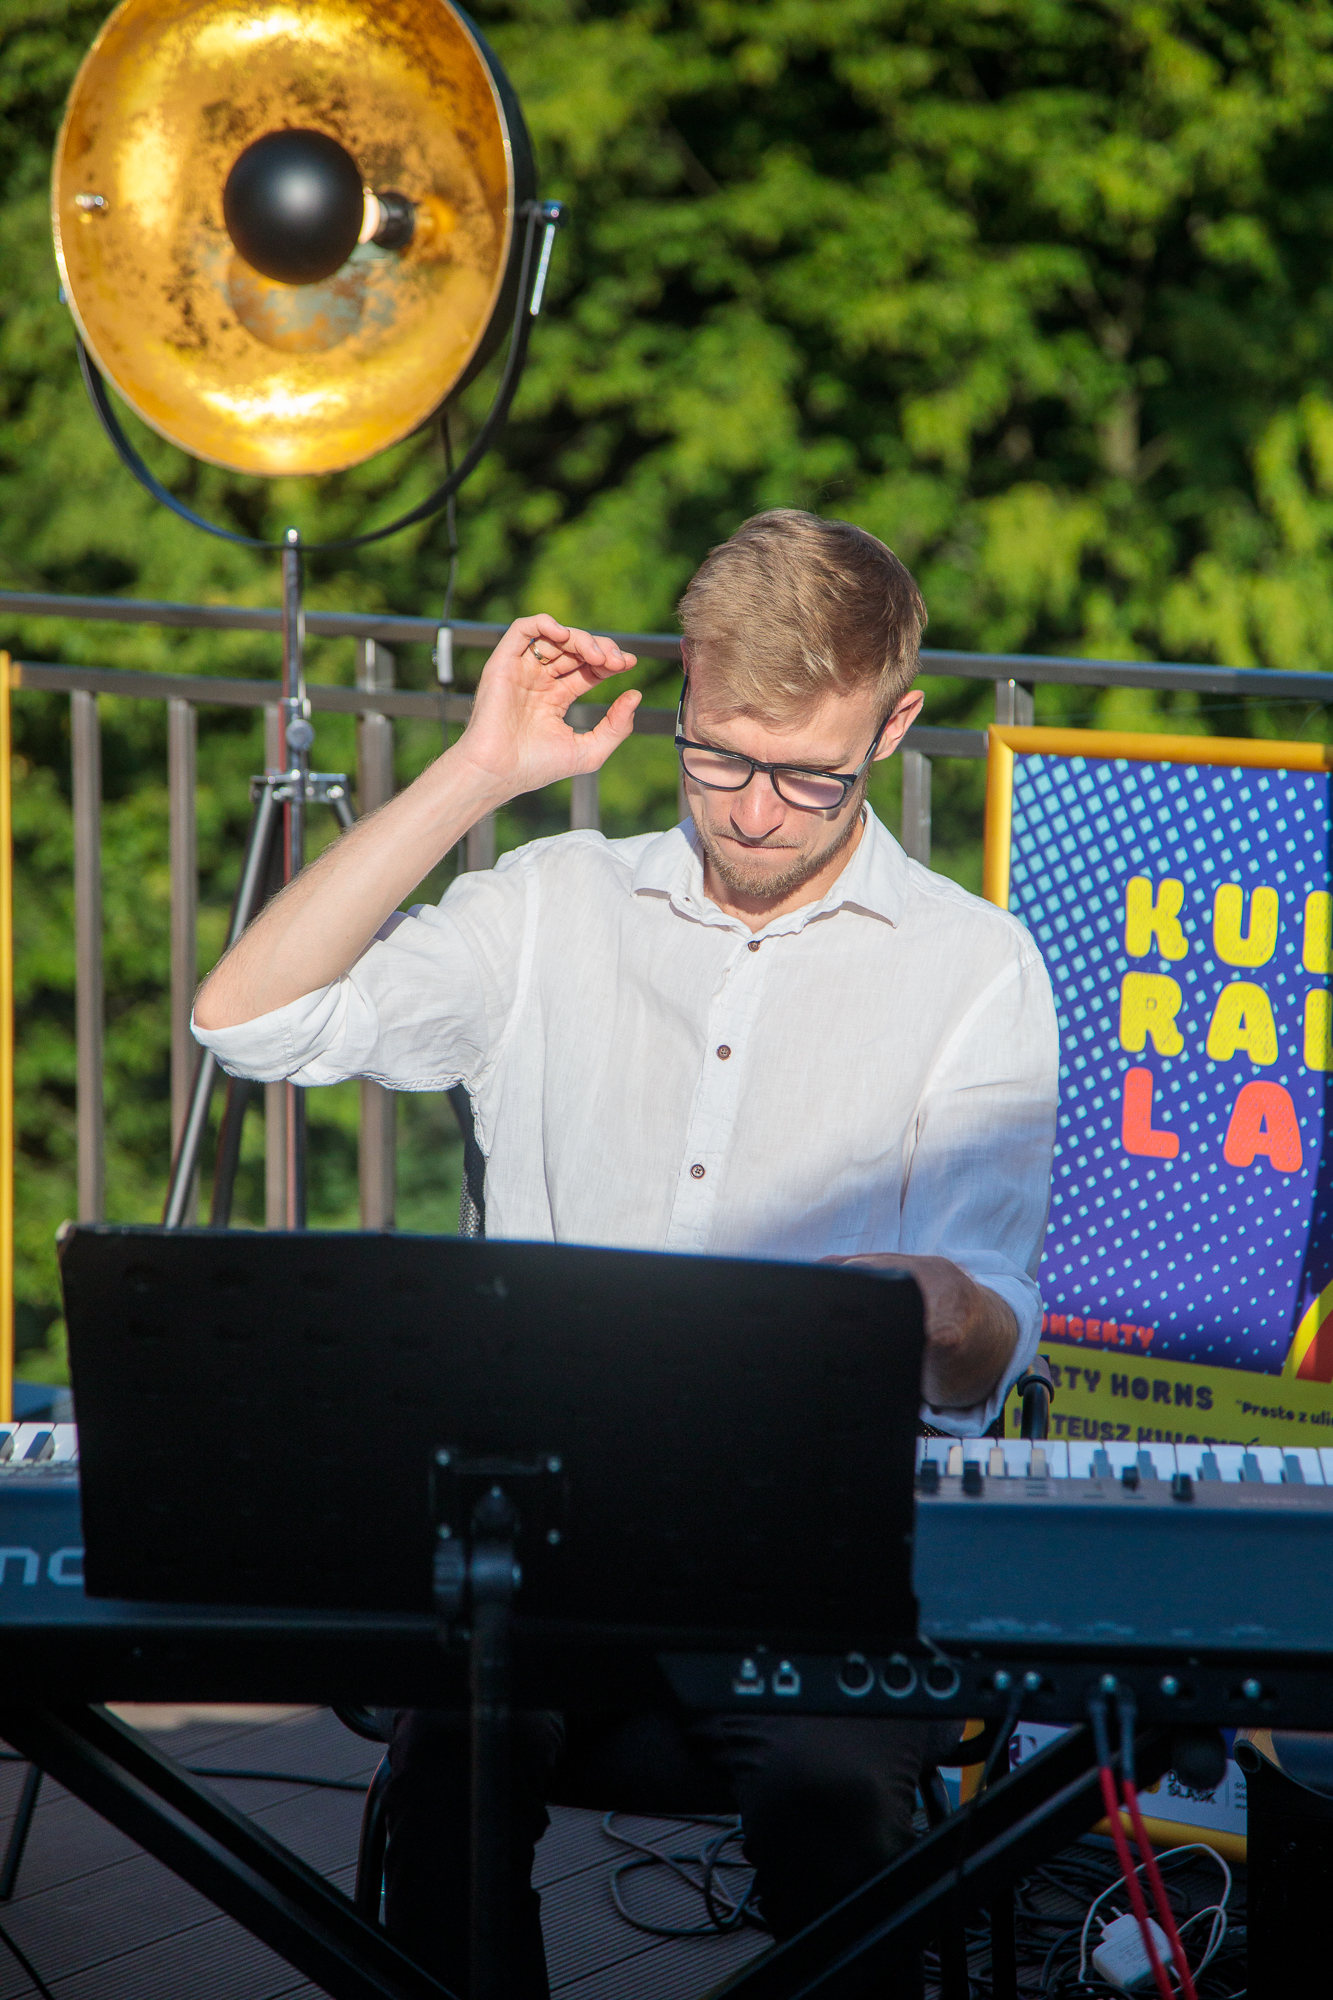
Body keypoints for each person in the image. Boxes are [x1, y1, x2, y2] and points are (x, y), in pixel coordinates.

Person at [193, 507, 1058, 1996]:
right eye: (718, 757)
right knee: (453, 1752)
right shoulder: (551, 903)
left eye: (813, 776)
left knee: (832, 1801)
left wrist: (947, 1308)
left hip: (816, 1560)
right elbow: (248, 1019)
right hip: (550, 1541)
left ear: (895, 726)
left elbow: (984, 1362)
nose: (756, 813)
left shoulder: (972, 966)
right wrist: (477, 772)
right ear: (682, 699)